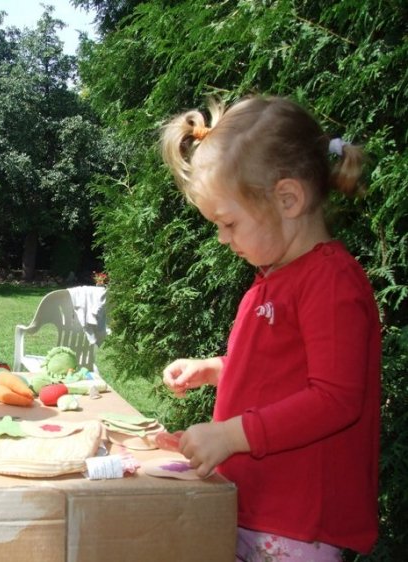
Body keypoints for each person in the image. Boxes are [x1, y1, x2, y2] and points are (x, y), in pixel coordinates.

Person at [160, 96, 380, 560]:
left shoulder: (330, 281)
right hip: (257, 511)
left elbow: (336, 397)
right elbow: (280, 371)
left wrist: (230, 435)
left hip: (298, 528)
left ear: (288, 198)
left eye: (228, 222)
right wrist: (218, 368)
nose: (222, 238)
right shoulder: (270, 280)